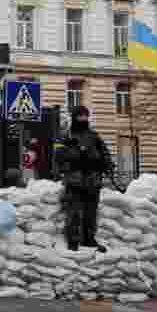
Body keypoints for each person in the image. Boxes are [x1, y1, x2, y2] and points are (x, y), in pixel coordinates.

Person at [55, 106, 111, 252]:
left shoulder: (94, 136)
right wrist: (75, 160)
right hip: (75, 180)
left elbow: (105, 153)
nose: (84, 119)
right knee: (74, 212)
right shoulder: (66, 136)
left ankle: (89, 239)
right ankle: (73, 241)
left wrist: (104, 164)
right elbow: (58, 156)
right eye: (81, 116)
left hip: (93, 181)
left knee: (91, 213)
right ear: (74, 118)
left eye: (86, 116)